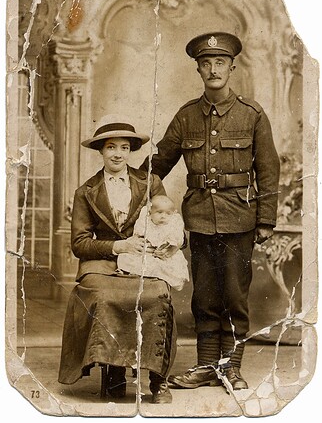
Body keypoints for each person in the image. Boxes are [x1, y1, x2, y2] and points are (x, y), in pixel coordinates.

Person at [141, 32, 280, 390]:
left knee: (235, 295)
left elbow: (268, 168)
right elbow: (157, 164)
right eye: (207, 63)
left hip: (239, 219)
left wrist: (266, 219)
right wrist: (151, 199)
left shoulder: (252, 115)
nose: (214, 69)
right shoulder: (187, 116)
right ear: (199, 69)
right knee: (204, 296)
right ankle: (206, 366)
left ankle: (231, 367)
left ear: (232, 67)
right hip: (200, 218)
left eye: (220, 62)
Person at [58, 115, 177, 404]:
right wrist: (118, 246)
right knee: (102, 295)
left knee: (157, 294)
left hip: (145, 259)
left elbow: (169, 222)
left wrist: (167, 246)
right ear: (101, 151)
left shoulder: (149, 183)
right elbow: (80, 244)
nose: (117, 154)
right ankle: (113, 375)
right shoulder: (86, 192)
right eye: (111, 147)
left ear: (131, 151)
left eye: (124, 147)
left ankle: (157, 380)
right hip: (102, 263)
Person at [118, 195, 190, 291]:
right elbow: (138, 235)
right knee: (126, 257)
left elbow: (177, 239)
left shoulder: (172, 224)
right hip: (146, 252)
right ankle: (136, 272)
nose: (163, 216)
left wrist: (169, 246)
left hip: (163, 255)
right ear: (150, 212)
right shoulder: (146, 220)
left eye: (168, 214)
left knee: (171, 265)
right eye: (159, 212)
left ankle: (158, 275)